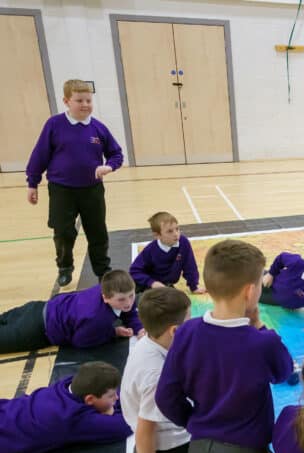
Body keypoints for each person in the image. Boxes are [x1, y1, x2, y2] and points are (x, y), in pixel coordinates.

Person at [156, 239, 294, 453]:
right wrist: (260, 326)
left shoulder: (186, 332)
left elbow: (165, 396)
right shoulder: (262, 343)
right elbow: (284, 371)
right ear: (250, 291)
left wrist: (195, 422)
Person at [26, 79, 124, 286]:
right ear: (66, 101)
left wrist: (109, 166)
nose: (85, 104)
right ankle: (65, 266)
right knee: (63, 232)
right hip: (62, 190)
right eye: (79, 100)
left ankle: (102, 270)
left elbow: (116, 154)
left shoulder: (98, 128)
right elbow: (39, 156)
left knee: (97, 232)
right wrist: (32, 183)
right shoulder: (54, 125)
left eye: (88, 100)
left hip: (92, 190)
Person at [121, 287, 193, 453]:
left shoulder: (149, 341)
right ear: (174, 330)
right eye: (188, 321)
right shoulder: (155, 376)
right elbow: (145, 430)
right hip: (172, 444)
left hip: (158, 426)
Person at [0, 361, 131, 453]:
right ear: (90, 399)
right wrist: (112, 410)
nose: (117, 398)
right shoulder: (73, 419)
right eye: (111, 396)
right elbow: (125, 425)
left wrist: (110, 403)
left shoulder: (66, 384)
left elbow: (110, 394)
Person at [0, 269, 143, 354]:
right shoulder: (98, 319)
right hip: (34, 330)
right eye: (122, 300)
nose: (129, 302)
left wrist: (139, 328)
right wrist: (113, 332)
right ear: (106, 298)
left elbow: (129, 311)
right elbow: (80, 341)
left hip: (36, 308)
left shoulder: (111, 289)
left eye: (131, 295)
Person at [129, 211, 204, 294]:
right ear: (157, 235)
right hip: (149, 283)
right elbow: (134, 271)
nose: (176, 234)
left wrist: (194, 287)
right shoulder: (150, 250)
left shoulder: (183, 242)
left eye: (177, 229)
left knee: (175, 301)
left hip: (166, 285)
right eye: (170, 231)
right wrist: (152, 282)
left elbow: (190, 266)